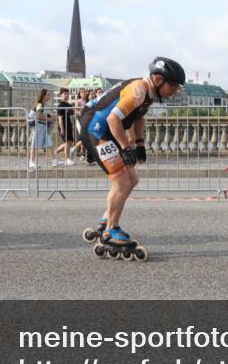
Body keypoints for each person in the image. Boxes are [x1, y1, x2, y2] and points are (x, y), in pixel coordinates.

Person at [78, 56, 185, 260]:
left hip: (108, 130)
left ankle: (106, 221)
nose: (176, 91)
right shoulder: (139, 90)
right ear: (158, 80)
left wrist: (139, 143)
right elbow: (113, 118)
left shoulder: (149, 92)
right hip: (97, 129)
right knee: (122, 181)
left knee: (132, 179)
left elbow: (138, 117)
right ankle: (111, 230)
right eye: (173, 86)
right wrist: (127, 146)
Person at [27, 89, 53, 170]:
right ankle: (31, 162)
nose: (49, 96)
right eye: (48, 95)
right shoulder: (40, 104)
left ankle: (54, 160)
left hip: (41, 126)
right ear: (43, 96)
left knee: (49, 143)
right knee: (34, 145)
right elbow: (38, 116)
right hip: (38, 126)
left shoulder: (42, 104)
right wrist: (48, 119)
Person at [53, 88, 75, 166]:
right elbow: (60, 118)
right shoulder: (60, 105)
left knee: (69, 142)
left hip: (69, 125)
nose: (66, 95)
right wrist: (62, 129)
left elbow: (71, 116)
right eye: (64, 93)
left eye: (67, 93)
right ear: (61, 95)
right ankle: (67, 159)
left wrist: (72, 125)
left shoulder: (69, 105)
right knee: (67, 142)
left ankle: (56, 151)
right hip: (63, 126)